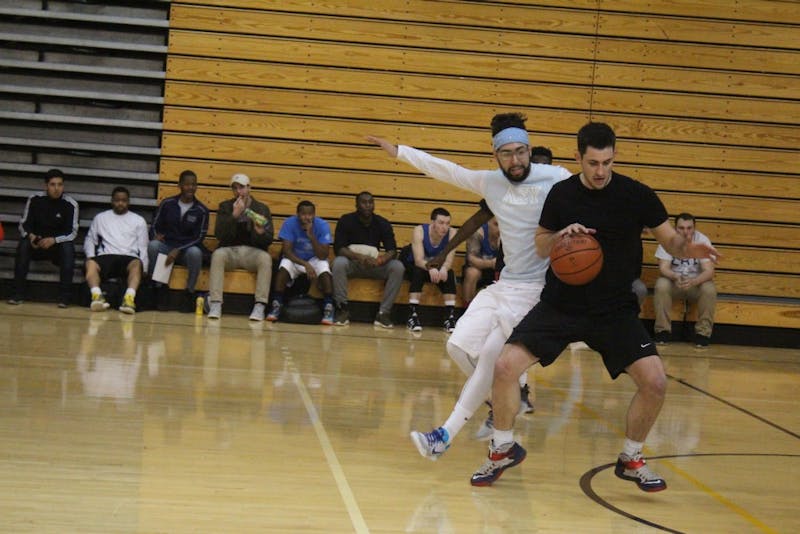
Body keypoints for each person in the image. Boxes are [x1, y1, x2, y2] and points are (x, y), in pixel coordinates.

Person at [470, 122, 720, 490]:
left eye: (607, 162)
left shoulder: (637, 195)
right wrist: (561, 236)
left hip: (613, 309)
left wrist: (688, 248)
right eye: (592, 163)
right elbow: (541, 244)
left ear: (614, 156)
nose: (600, 171)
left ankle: (631, 457)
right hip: (561, 304)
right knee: (505, 366)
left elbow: (670, 240)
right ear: (578, 157)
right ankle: (502, 450)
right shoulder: (561, 194)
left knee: (655, 381)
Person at [367, 113, 572, 460]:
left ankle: (444, 435)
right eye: (506, 153)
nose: (515, 160)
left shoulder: (556, 178)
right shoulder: (491, 183)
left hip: (536, 290)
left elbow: (597, 193)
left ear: (529, 149)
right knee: (457, 347)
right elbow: (446, 170)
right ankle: (505, 400)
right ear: (496, 155)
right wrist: (400, 152)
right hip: (504, 286)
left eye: (520, 152)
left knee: (491, 354)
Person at [331, 191, 405, 328]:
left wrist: (380, 260)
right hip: (353, 263)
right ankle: (342, 309)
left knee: (397, 267)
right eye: (364, 202)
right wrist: (360, 257)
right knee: (338, 263)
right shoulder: (346, 220)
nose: (368, 205)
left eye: (370, 202)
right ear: (357, 205)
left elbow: (392, 251)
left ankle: (383, 313)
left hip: (374, 265)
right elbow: (339, 249)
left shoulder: (382, 223)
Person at [207, 173, 274, 321]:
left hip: (252, 252)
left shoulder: (261, 209)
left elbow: (268, 239)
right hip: (231, 250)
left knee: (265, 258)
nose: (239, 191)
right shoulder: (225, 207)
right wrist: (234, 216)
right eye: (235, 188)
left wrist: (260, 233)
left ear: (249, 188)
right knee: (217, 255)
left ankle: (260, 305)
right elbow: (219, 235)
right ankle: (216, 303)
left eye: (242, 187)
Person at [9, 169, 79, 307]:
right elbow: (23, 225)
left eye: (60, 184)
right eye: (53, 184)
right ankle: (18, 294)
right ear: (46, 185)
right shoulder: (35, 199)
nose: (56, 188)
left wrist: (54, 240)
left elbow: (72, 233)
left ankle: (64, 297)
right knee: (23, 245)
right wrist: (31, 236)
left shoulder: (71, 204)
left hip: (56, 248)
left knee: (68, 248)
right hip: (36, 245)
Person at [147, 169, 209, 312]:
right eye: (187, 184)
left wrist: (178, 250)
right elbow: (154, 226)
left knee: (196, 253)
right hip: (167, 246)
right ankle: (159, 288)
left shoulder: (201, 210)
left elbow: (199, 238)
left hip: (186, 250)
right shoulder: (167, 203)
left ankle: (189, 293)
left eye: (193, 184)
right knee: (154, 245)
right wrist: (155, 235)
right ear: (179, 185)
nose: (190, 188)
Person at [653, 213, 717, 347]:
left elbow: (709, 271)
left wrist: (694, 281)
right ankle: (662, 331)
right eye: (681, 228)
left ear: (694, 228)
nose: (685, 232)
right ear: (675, 228)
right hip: (674, 282)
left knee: (709, 288)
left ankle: (703, 333)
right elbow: (663, 268)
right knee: (661, 284)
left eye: (689, 228)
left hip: (695, 283)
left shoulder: (702, 241)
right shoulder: (668, 240)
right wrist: (675, 276)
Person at [267, 200, 335, 324]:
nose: (307, 217)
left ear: (314, 215)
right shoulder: (289, 223)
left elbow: (323, 255)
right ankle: (277, 304)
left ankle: (328, 306)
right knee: (283, 267)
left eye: (310, 214)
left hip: (315, 258)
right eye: (303, 214)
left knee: (325, 270)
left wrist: (311, 237)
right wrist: (305, 264)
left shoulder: (322, 225)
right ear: (297, 214)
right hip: (295, 257)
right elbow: (287, 251)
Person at [84, 186, 150, 314]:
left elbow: (143, 246)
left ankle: (129, 299)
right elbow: (90, 239)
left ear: (128, 202)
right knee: (90, 263)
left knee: (137, 264)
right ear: (112, 201)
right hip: (106, 255)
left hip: (128, 257)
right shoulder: (100, 218)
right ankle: (97, 296)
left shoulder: (138, 220)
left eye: (123, 200)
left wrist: (145, 268)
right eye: (117, 200)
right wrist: (90, 256)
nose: (120, 203)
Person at [402, 207, 459, 333]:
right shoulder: (419, 230)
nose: (445, 227)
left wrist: (444, 268)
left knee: (449, 274)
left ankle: (449, 317)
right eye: (441, 223)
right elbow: (418, 260)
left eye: (447, 223)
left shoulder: (452, 233)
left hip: (436, 266)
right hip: (415, 263)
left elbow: (449, 261)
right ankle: (412, 315)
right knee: (418, 272)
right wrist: (431, 267)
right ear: (432, 223)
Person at [461, 216, 500, 306]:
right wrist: (491, 263)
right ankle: (467, 307)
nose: (499, 229)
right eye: (496, 224)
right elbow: (471, 259)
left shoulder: (506, 236)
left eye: (502, 225)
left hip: (495, 270)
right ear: (488, 222)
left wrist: (501, 247)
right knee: (472, 273)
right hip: (478, 268)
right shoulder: (478, 233)